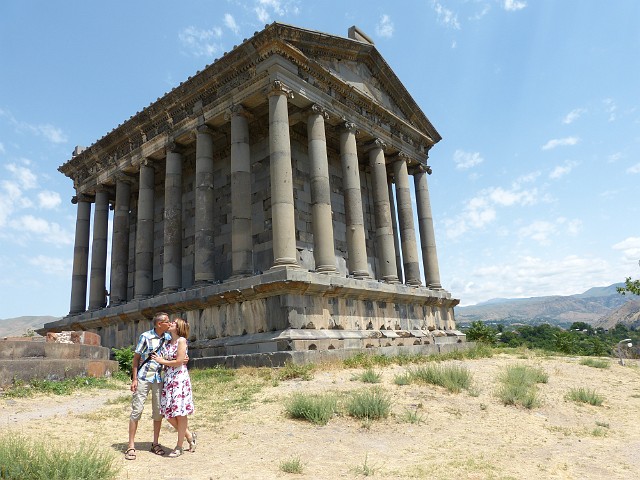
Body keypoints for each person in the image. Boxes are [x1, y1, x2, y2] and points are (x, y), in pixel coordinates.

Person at [125, 312, 172, 460]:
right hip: (144, 377)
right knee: (137, 410)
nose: (170, 324)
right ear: (159, 324)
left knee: (158, 412)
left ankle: (155, 443)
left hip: (159, 378)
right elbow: (136, 358)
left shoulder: (168, 338)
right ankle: (131, 445)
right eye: (167, 322)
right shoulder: (145, 336)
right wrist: (134, 379)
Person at [151, 317, 197, 457]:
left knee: (180, 412)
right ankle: (189, 435)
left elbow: (178, 362)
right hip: (169, 378)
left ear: (178, 328)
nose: (170, 324)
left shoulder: (181, 341)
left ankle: (179, 446)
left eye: (174, 323)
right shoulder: (167, 342)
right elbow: (175, 360)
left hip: (179, 379)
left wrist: (162, 360)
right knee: (168, 413)